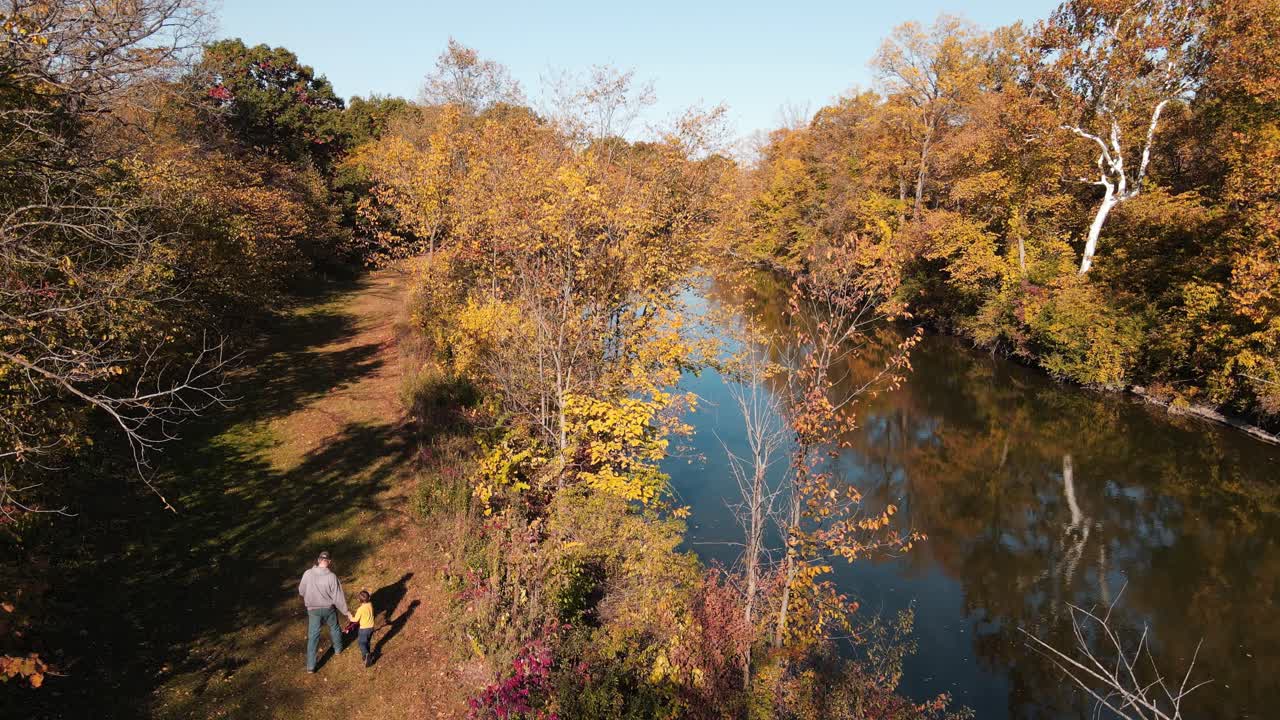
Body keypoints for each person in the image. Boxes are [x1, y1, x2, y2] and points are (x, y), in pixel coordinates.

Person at [298, 550, 350, 673]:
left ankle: (311, 666)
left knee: (313, 636)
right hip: (328, 609)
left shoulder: (307, 574)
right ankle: (338, 649)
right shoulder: (332, 577)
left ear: (318, 560)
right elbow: (338, 597)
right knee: (335, 627)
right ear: (329, 562)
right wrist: (346, 612)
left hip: (313, 610)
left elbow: (301, 590)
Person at [348, 589, 375, 667]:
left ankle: (366, 655)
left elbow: (355, 619)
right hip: (371, 628)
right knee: (367, 642)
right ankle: (368, 655)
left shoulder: (360, 609)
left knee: (361, 642)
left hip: (364, 629)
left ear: (359, 600)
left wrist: (350, 617)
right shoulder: (370, 604)